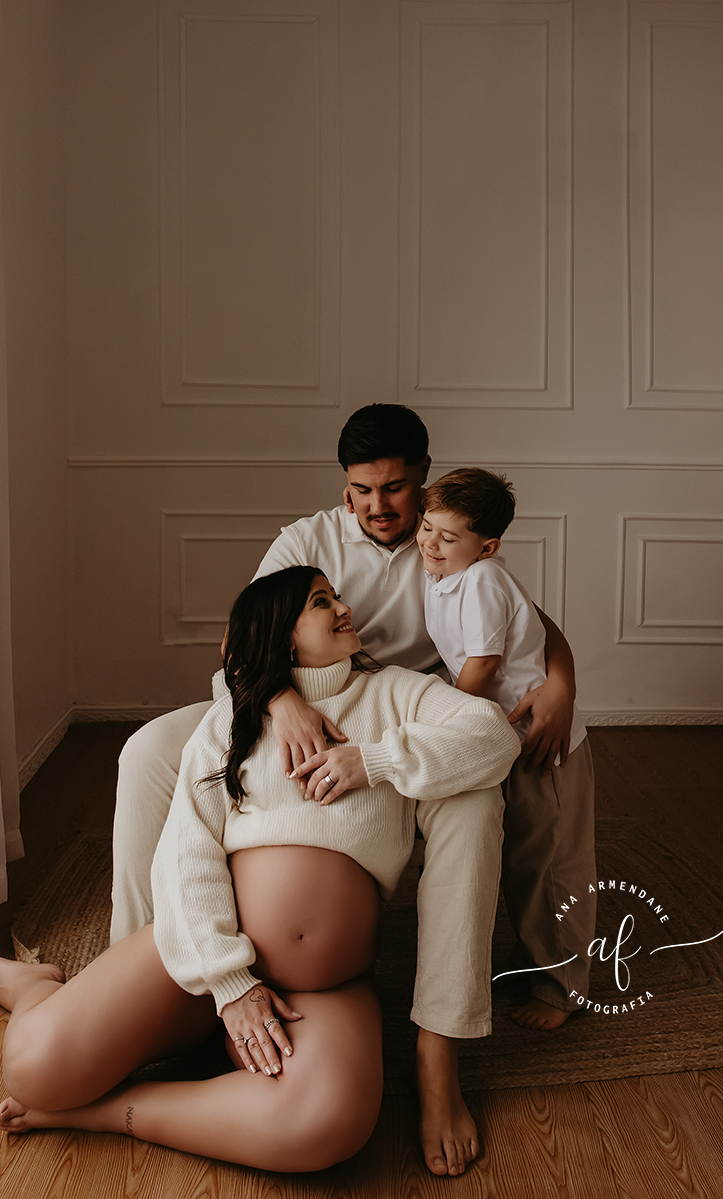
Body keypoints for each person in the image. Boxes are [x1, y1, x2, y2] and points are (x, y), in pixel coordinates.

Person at [110, 402, 578, 1175]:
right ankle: (144, 970)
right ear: (344, 486)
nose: (377, 505)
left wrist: (560, 677)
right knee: (145, 753)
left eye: (394, 487)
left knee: (473, 798)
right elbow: (243, 635)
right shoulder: (307, 540)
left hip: (396, 712)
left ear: (422, 479)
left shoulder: (445, 534)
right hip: (288, 695)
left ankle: (438, 1046)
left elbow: (519, 616)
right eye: (361, 488)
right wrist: (279, 699)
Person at [0, 567, 520, 1174]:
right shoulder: (234, 719)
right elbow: (187, 851)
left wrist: (376, 761)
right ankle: (36, 987)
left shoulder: (397, 694)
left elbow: (493, 735)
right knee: (32, 1068)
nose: (343, 607)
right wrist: (232, 985)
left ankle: (106, 1112)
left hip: (321, 989)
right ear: (282, 635)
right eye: (321, 602)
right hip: (209, 965)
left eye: (336, 596)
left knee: (325, 1122)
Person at [417, 468, 597, 1030]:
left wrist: (446, 719)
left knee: (553, 864)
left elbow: (483, 664)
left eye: (448, 537)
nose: (431, 543)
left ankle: (563, 988)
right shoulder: (444, 572)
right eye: (427, 527)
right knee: (521, 858)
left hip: (543, 743)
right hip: (509, 742)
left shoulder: (483, 581)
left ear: (487, 547)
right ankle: (535, 957)